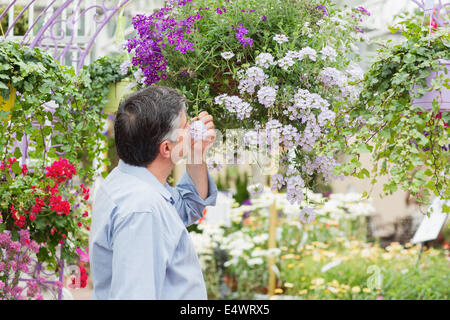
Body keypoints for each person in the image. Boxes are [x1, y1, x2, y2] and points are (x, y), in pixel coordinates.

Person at [89, 85, 218, 299]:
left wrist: (197, 152)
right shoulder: (142, 209)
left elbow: (189, 206)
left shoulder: (130, 180)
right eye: (187, 126)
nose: (194, 129)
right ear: (166, 148)